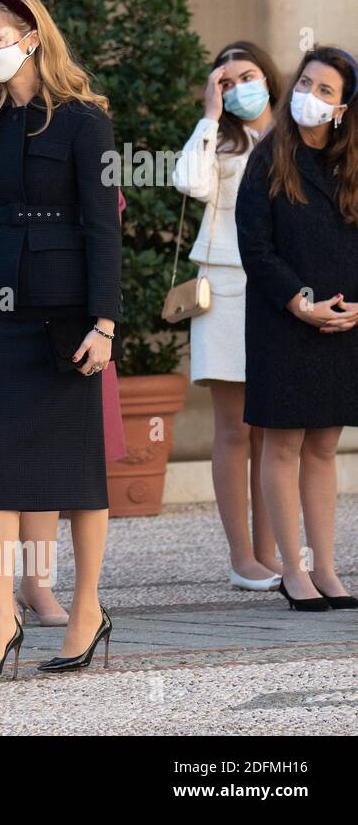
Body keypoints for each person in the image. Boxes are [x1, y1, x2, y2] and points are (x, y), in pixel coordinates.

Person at [0, 0, 122, 677]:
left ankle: (87, 610)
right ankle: (0, 619)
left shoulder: (83, 121)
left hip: (66, 316)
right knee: (0, 472)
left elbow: (104, 226)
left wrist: (105, 322)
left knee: (78, 471)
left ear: (31, 39)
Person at [0, 126, 128, 627]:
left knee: (57, 459)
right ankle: (8, 606)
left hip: (64, 307)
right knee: (9, 461)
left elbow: (108, 209)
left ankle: (39, 585)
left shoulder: (78, 128)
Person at [236, 45, 358, 612]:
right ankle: (293, 571)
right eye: (306, 83)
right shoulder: (269, 157)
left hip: (341, 320)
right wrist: (298, 302)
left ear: (343, 108)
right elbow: (255, 247)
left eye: (326, 90)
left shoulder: (350, 162)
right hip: (283, 321)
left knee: (325, 446)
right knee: (283, 444)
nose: (311, 95)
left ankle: (328, 570)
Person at [173, 41, 282, 591]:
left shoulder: (294, 137)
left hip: (283, 293)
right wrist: (209, 118)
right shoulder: (217, 142)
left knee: (271, 427)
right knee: (235, 427)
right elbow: (189, 184)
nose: (240, 86)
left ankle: (270, 552)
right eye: (226, 79)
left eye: (249, 75)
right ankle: (242, 558)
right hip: (226, 288)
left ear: (270, 77)